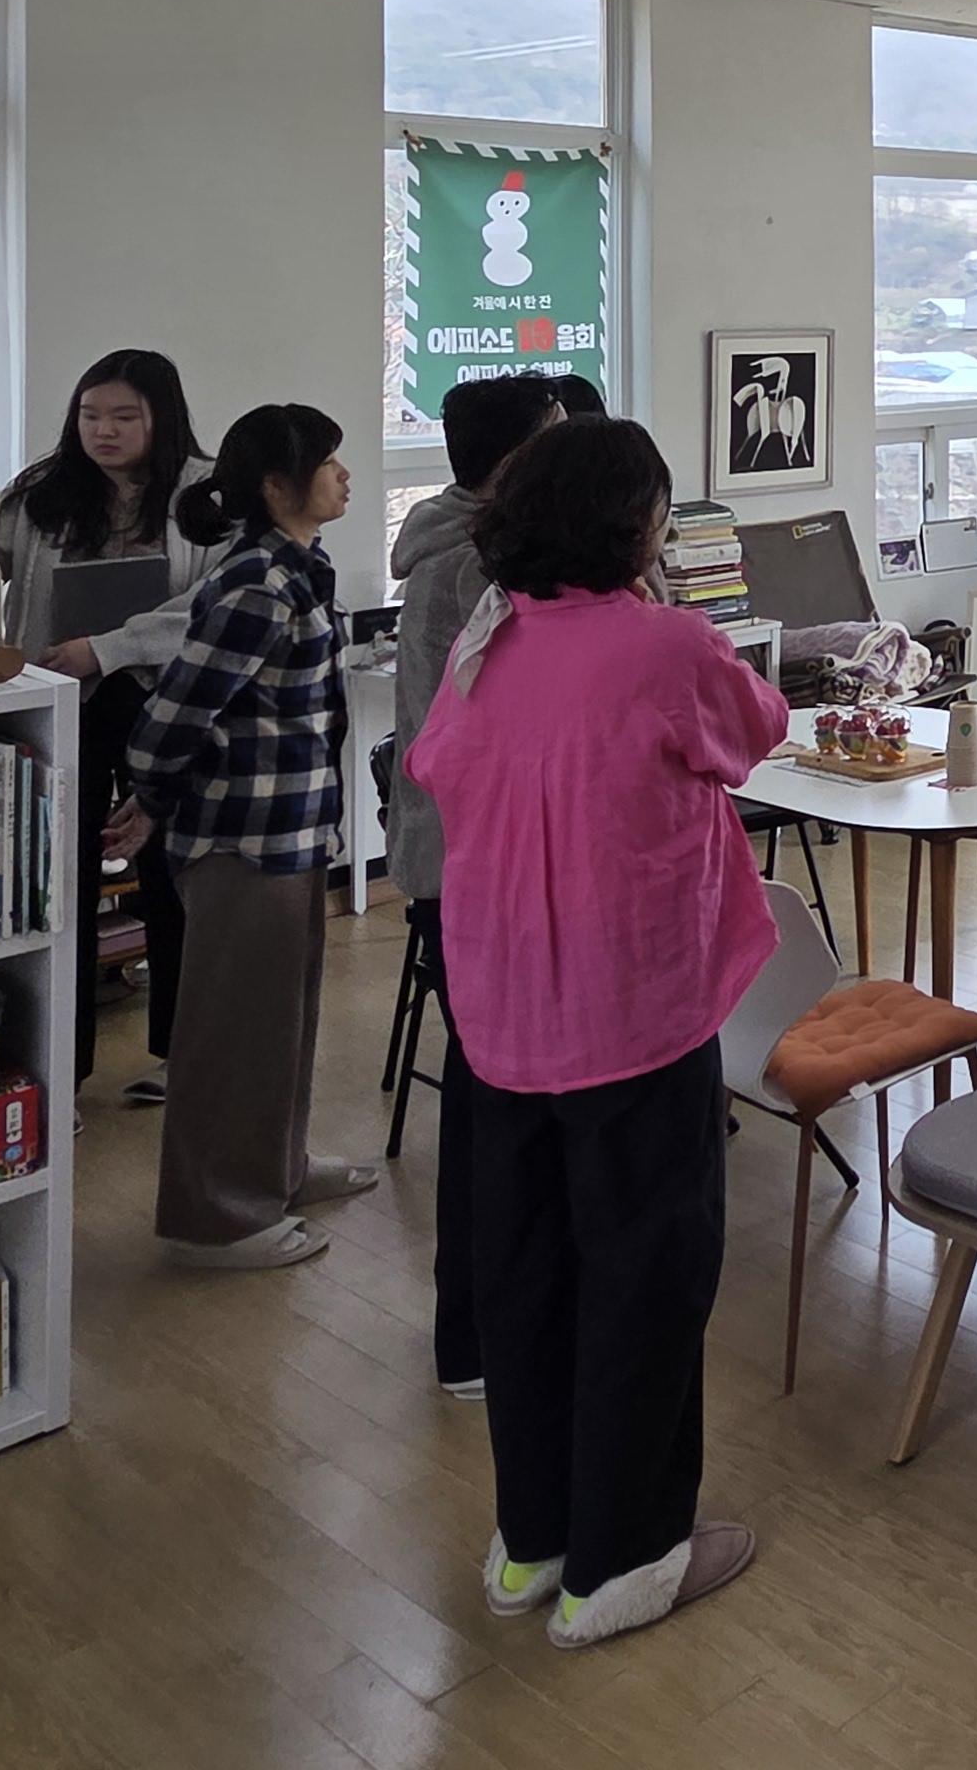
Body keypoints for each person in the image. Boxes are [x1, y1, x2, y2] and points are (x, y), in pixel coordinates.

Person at [406, 414, 787, 1648]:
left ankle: (533, 1538)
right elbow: (756, 730)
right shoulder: (664, 643)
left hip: (501, 1006)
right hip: (631, 1009)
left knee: (527, 1273)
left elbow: (436, 766)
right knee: (646, 1275)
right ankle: (624, 1561)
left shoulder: (489, 636)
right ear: (636, 526)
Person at [121, 402, 375, 1271]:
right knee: (232, 1037)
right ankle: (214, 1221)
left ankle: (275, 1170)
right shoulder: (256, 585)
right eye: (328, 463)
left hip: (290, 832)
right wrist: (152, 799)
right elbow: (171, 718)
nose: (344, 475)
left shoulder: (302, 568)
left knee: (281, 1023)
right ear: (276, 486)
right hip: (241, 839)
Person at [388, 370, 573, 1400]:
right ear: (512, 461)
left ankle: (487, 1327)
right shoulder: (475, 566)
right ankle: (475, 1337)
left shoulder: (463, 543)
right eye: (553, 436)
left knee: (491, 1100)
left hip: (461, 859)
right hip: (470, 864)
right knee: (493, 1108)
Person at [0, 350, 223, 1091]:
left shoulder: (207, 493)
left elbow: (213, 601)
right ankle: (60, 1070)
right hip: (63, 700)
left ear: (163, 418)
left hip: (164, 701)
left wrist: (112, 646)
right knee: (57, 873)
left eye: (125, 416)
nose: (104, 431)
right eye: (91, 415)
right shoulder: (40, 490)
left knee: (172, 873)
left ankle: (184, 1057)